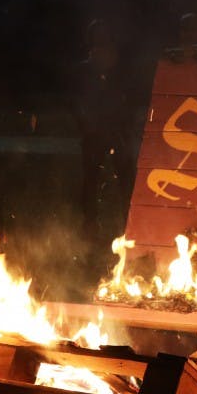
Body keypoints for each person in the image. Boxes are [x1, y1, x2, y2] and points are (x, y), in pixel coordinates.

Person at [73, 19, 135, 236]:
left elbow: (127, 98)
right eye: (97, 39)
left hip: (117, 132)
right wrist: (88, 125)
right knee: (91, 179)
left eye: (104, 38)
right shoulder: (83, 70)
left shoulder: (119, 69)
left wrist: (123, 126)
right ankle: (90, 223)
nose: (101, 44)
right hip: (93, 134)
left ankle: (129, 222)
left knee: (125, 178)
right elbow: (77, 101)